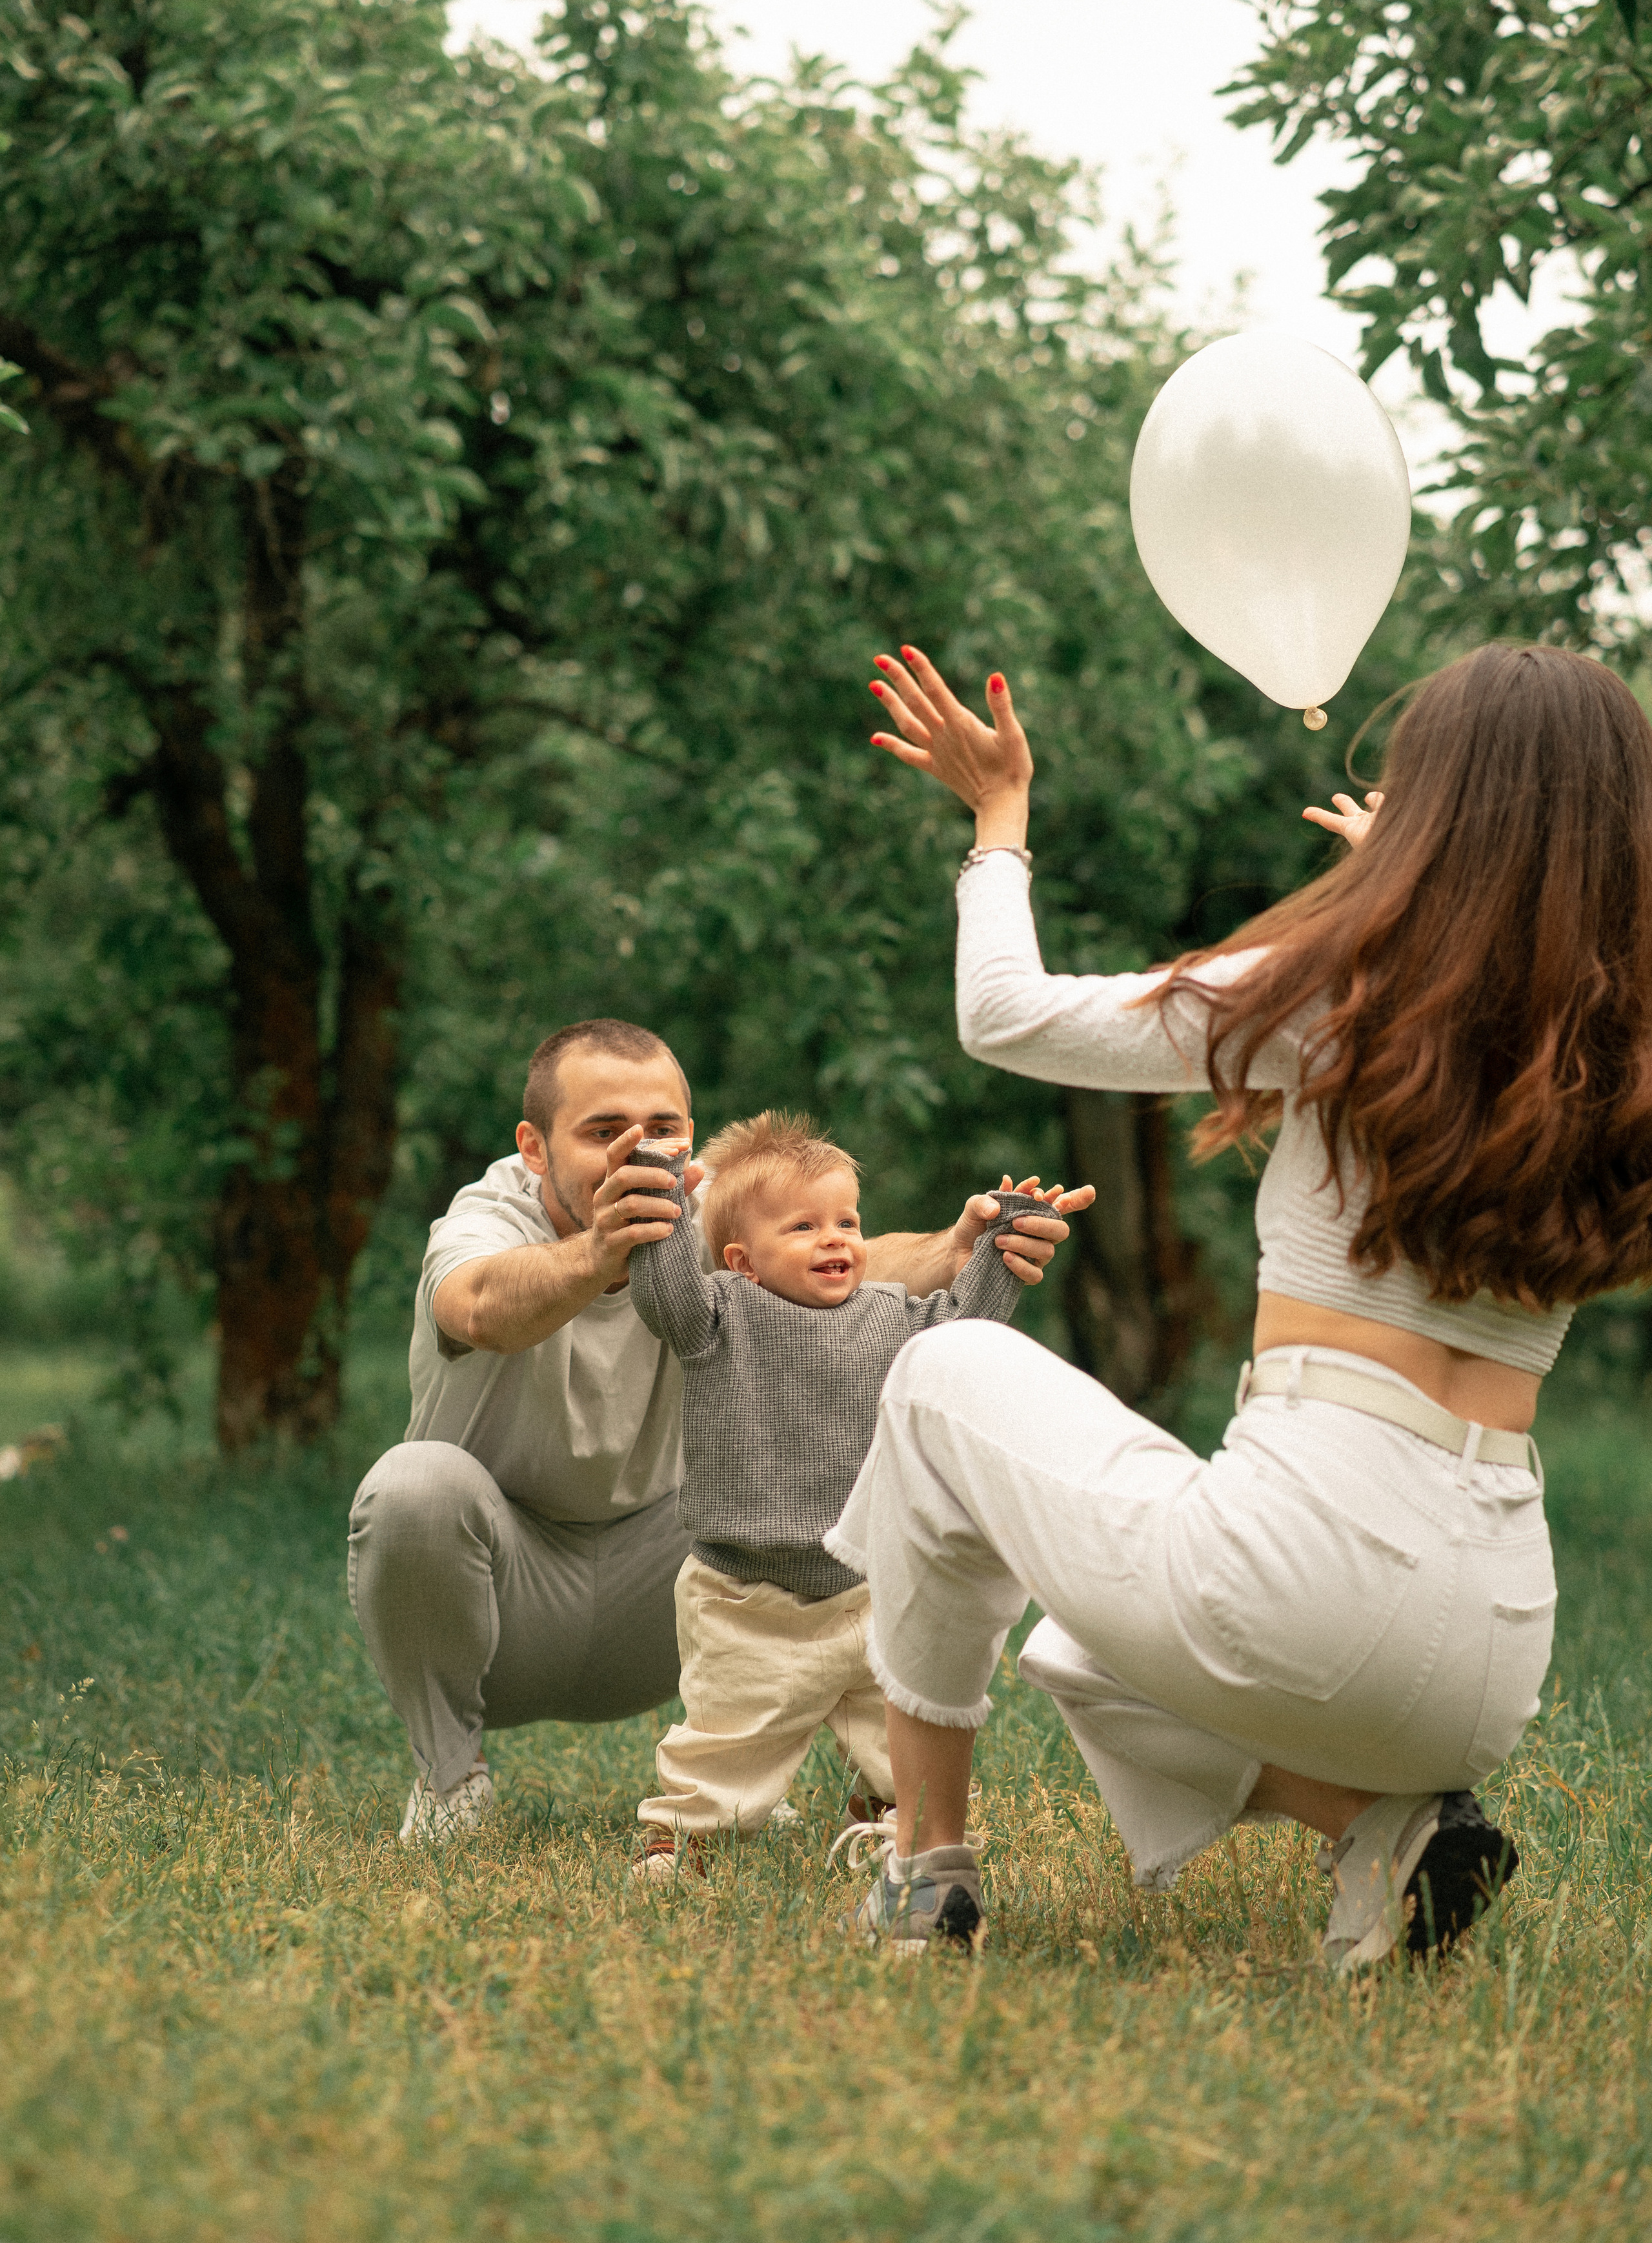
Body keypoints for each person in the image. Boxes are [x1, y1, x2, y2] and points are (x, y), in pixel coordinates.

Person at [831, 639, 1652, 1966]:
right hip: (1494, 1647)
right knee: (1083, 1649)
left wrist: (997, 824)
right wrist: (1439, 892)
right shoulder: (1618, 1050)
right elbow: (1508, 971)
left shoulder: (1340, 992)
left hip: (1304, 1595)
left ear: (1435, 809)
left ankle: (924, 1873)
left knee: (937, 1379)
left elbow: (1004, 1015)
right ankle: (1379, 1833)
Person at [347, 1017, 1082, 1844]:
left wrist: (958, 1247)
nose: (638, 1152)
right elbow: (475, 1307)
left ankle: (793, 1780)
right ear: (535, 1147)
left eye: (662, 1129)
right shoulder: (486, 1217)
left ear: (689, 1135)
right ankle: (452, 1784)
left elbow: (833, 1260)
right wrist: (600, 1251)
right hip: (506, 1605)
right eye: (602, 1132)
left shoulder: (706, 1214)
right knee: (412, 1487)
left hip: (676, 1584)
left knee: (839, 1487)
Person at [625, 1110, 1078, 1879]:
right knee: (735, 1730)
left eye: (847, 1220)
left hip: (870, 1582)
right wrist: (664, 1194)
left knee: (893, 1718)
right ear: (743, 1259)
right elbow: (663, 1293)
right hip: (747, 1594)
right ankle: (684, 1837)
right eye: (802, 1226)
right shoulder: (718, 1316)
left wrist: (1004, 1246)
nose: (835, 1238)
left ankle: (889, 1818)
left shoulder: (892, 1315)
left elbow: (965, 1322)